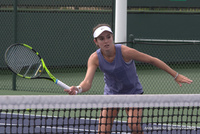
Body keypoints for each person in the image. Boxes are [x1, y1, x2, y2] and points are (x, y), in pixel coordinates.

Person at [64, 24, 193, 134]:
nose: (106, 41)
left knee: (134, 124)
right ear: (96, 42)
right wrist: (79, 88)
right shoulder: (94, 58)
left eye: (108, 37)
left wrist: (176, 75)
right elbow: (87, 82)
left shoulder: (125, 51)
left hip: (133, 93)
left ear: (112, 37)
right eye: (101, 39)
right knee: (102, 130)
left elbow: (152, 60)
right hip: (112, 95)